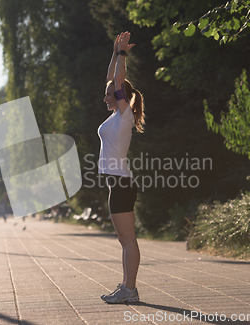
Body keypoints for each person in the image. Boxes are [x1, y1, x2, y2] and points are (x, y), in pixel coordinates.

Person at [98, 32, 145, 304]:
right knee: (124, 240)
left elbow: (116, 81)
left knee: (128, 240)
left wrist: (123, 54)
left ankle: (130, 289)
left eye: (109, 95)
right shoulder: (117, 116)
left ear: (121, 97)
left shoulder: (125, 115)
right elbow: (111, 78)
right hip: (117, 184)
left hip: (122, 184)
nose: (105, 98)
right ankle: (128, 287)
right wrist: (115, 53)